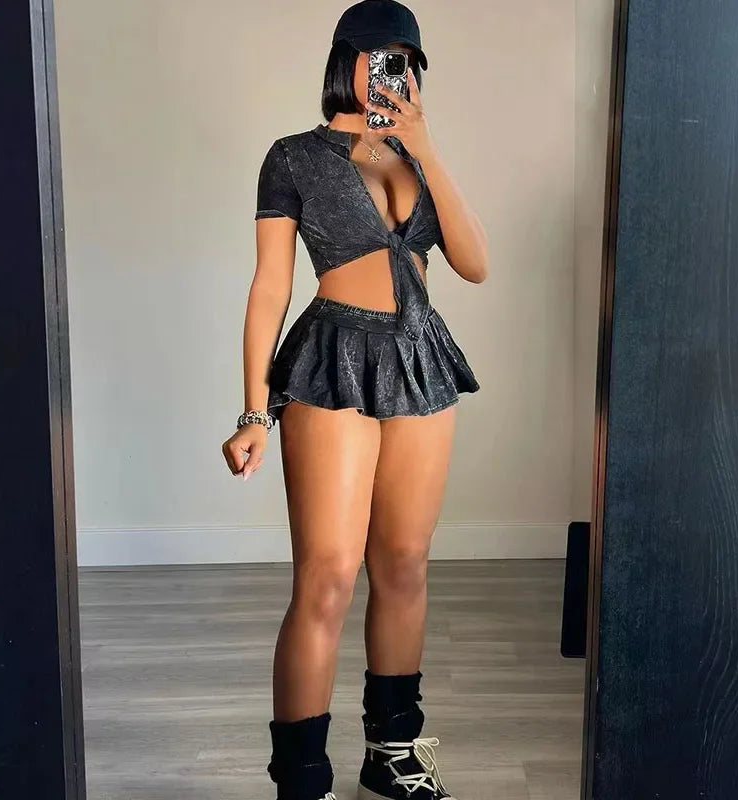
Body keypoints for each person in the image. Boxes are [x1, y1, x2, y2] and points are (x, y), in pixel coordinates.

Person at [221, 2, 488, 798]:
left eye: (405, 62)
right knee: (330, 575)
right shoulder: (294, 157)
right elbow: (270, 287)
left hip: (419, 362)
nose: (390, 74)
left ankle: (393, 753)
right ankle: (302, 777)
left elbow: (474, 264)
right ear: (346, 60)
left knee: (403, 564)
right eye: (378, 58)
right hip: (331, 361)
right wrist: (253, 412)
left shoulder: (417, 157)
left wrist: (427, 150)